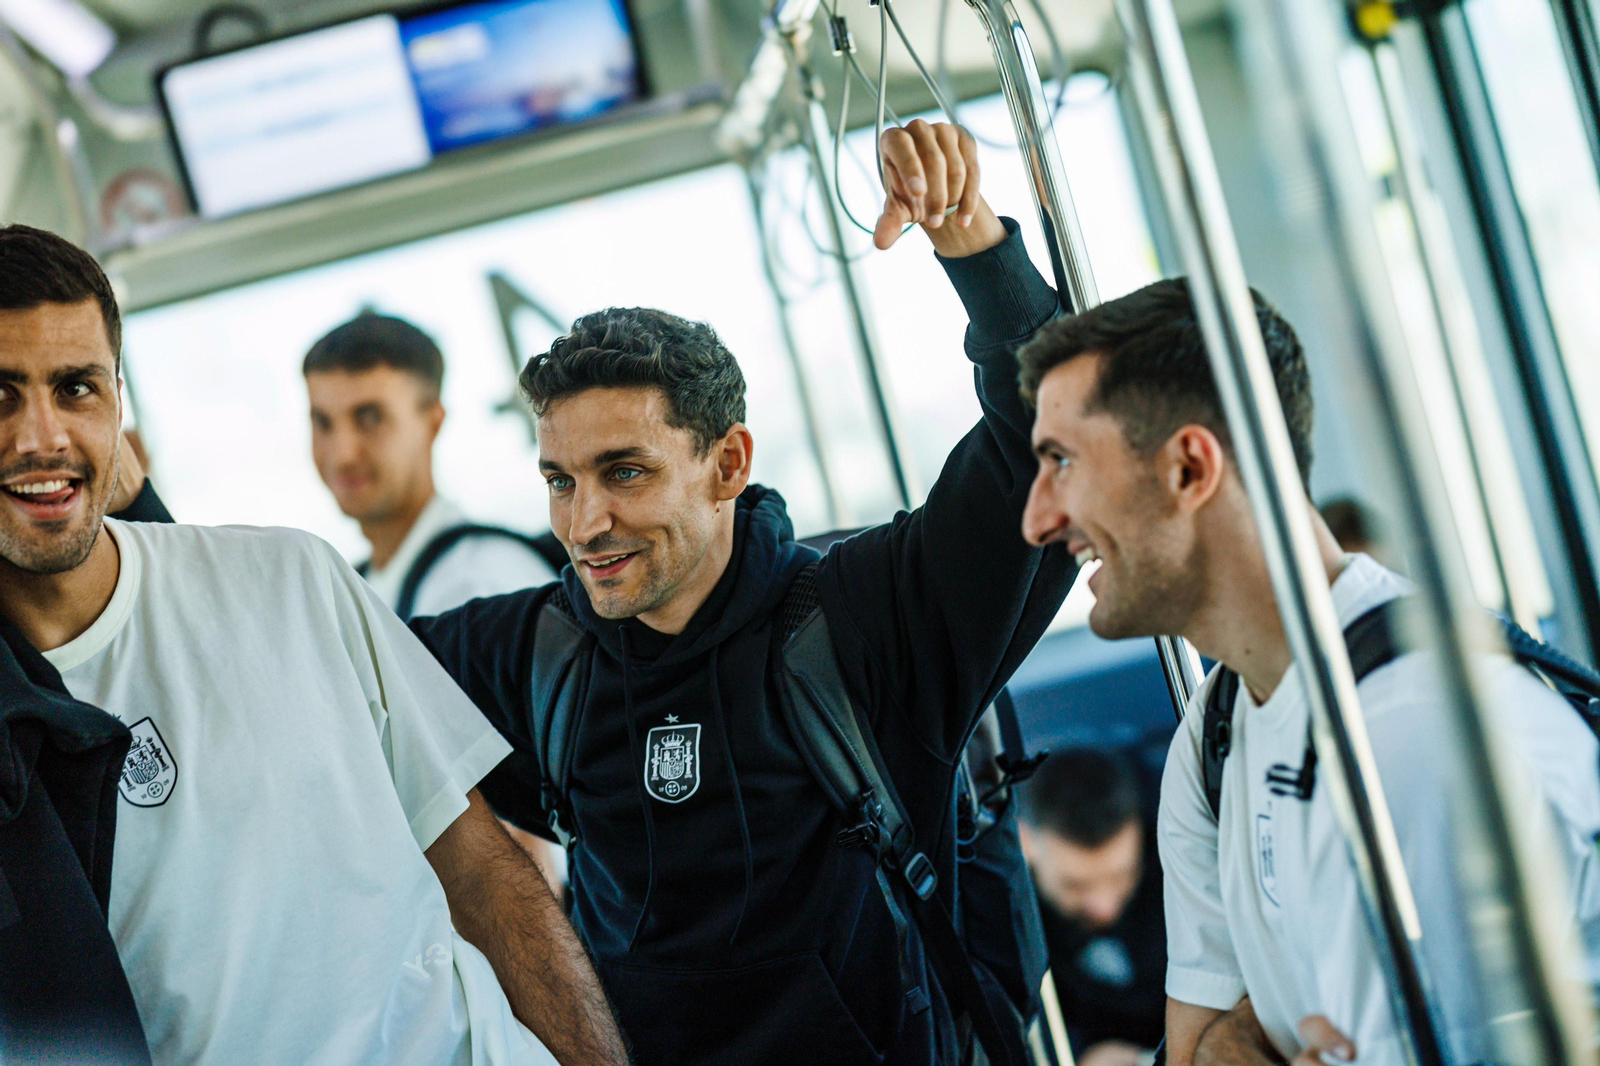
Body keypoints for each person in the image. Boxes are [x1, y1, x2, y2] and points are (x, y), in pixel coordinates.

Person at [410, 120, 1078, 1065]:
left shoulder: (866, 617)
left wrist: (974, 244)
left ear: (727, 464)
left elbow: (1042, 440)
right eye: (561, 481)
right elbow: (304, 656)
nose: (583, 522)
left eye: (625, 472)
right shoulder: (537, 653)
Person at [0, 224, 628, 1066]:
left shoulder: (293, 578)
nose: (41, 435)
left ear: (118, 403)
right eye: (0, 394)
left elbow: (482, 866)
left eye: (75, 388)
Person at [1013, 277, 1600, 1066]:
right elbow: (1192, 1054)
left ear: (1190, 468)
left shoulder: (1411, 742)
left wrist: (1248, 1034)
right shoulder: (1214, 737)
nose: (1039, 517)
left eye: (1062, 462)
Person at [304, 312, 558, 620]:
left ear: (431, 423)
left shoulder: (480, 588)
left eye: (370, 418)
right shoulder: (358, 590)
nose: (343, 454)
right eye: (322, 422)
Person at [1019, 747, 1165, 1066]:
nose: (1105, 908)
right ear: (1026, 843)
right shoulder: (1009, 922)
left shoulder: (1182, 868)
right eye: (1076, 886)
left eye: (1121, 875)